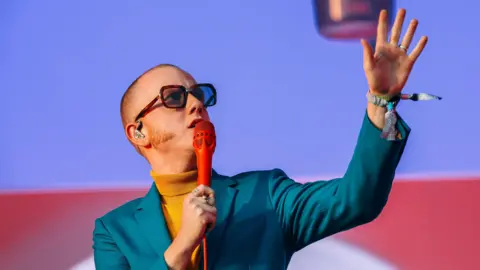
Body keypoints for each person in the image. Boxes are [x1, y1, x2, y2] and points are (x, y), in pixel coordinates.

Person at [93, 8, 428, 270]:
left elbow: (356, 200)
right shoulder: (115, 231)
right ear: (138, 132)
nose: (195, 103)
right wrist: (183, 245)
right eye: (175, 97)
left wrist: (382, 102)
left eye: (199, 95)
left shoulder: (265, 194)